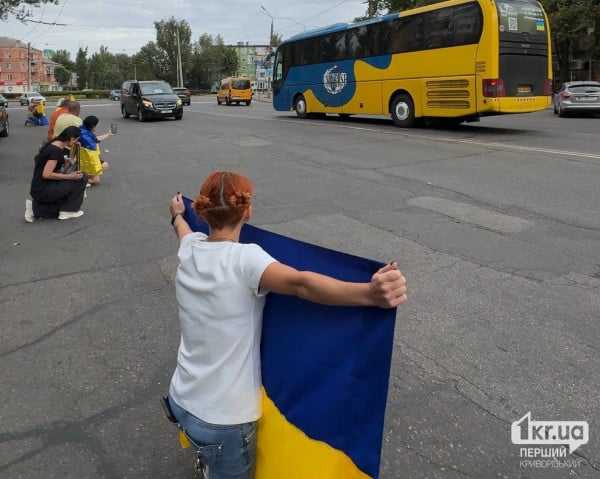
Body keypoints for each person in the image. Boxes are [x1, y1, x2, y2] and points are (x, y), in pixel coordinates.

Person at [166, 171, 408, 479]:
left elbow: (183, 230)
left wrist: (176, 215)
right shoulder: (246, 260)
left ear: (202, 210)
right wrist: (370, 294)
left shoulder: (191, 249)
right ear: (248, 211)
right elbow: (301, 284)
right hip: (223, 418)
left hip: (182, 398)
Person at [25, 126, 88, 222]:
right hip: (43, 189)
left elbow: (44, 163)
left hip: (39, 187)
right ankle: (68, 210)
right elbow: (46, 174)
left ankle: (36, 209)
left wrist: (65, 161)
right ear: (71, 139)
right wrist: (70, 176)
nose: (76, 143)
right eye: (76, 140)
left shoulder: (53, 144)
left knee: (77, 177)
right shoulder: (55, 151)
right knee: (81, 178)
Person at [79, 115, 112, 186]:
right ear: (92, 126)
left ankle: (85, 177)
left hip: (85, 159)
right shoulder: (86, 137)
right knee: (97, 178)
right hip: (86, 160)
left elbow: (95, 139)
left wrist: (108, 135)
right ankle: (80, 180)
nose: (96, 127)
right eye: (96, 126)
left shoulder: (83, 131)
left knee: (102, 168)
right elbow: (95, 143)